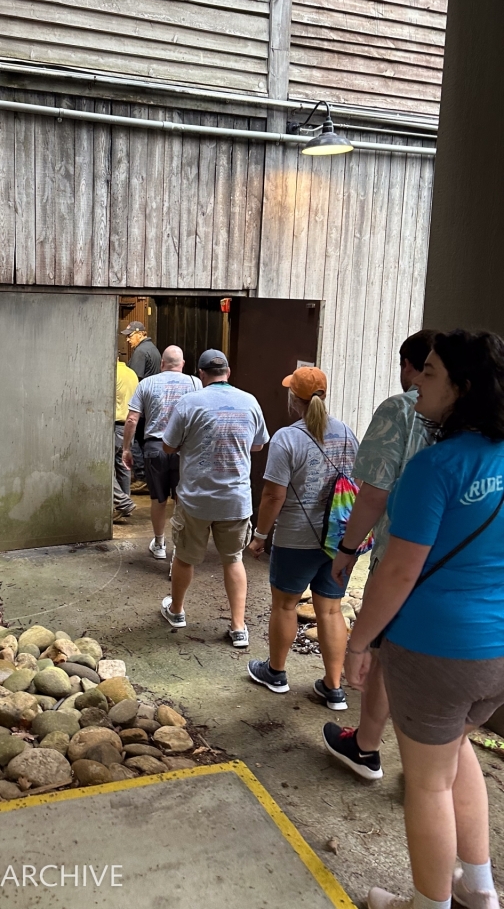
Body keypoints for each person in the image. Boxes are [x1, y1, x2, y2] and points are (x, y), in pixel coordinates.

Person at [345, 331, 504, 909]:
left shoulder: (435, 467)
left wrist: (359, 643)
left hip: (437, 650)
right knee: (458, 752)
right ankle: (478, 888)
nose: (417, 384)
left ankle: (428, 903)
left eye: (430, 373)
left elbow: (396, 574)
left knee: (428, 782)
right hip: (496, 652)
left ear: (462, 389)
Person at [322, 329, 436, 779]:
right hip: (461, 568)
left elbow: (373, 493)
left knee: (384, 652)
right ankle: (433, 760)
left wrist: (349, 547)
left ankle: (367, 746)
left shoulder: (401, 409)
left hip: (400, 554)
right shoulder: (479, 425)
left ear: (410, 367)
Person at [245, 367, 358, 711]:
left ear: (294, 399)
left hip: (296, 538)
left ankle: (276, 672)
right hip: (337, 539)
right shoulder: (348, 434)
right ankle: (333, 688)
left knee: (285, 605)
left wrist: (260, 536)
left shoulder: (286, 439)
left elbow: (272, 497)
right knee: (331, 609)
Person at [160, 350, 269, 648]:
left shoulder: (189, 402)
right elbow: (259, 445)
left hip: (196, 499)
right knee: (233, 560)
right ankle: (238, 627)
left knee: (184, 557)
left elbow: (168, 446)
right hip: (235, 499)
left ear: (201, 375)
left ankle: (177, 611)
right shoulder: (250, 402)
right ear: (228, 372)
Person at [122, 346, 201, 560]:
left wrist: (127, 449)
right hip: (183, 450)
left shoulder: (146, 383)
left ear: (161, 364)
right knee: (181, 500)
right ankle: (179, 548)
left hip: (155, 448)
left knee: (158, 500)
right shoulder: (196, 383)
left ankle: (159, 544)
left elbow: (131, 419)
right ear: (182, 364)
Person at [120, 320, 161, 485]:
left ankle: (141, 476)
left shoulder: (141, 352)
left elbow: (134, 378)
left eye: (130, 336)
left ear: (140, 334)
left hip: (141, 404)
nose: (128, 340)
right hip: (151, 403)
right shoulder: (153, 349)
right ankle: (148, 475)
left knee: (134, 438)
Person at [113, 359, 138, 522]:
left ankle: (123, 502)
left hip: (115, 425)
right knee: (124, 465)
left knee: (106, 468)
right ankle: (125, 506)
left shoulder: (112, 373)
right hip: (129, 424)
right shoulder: (132, 373)